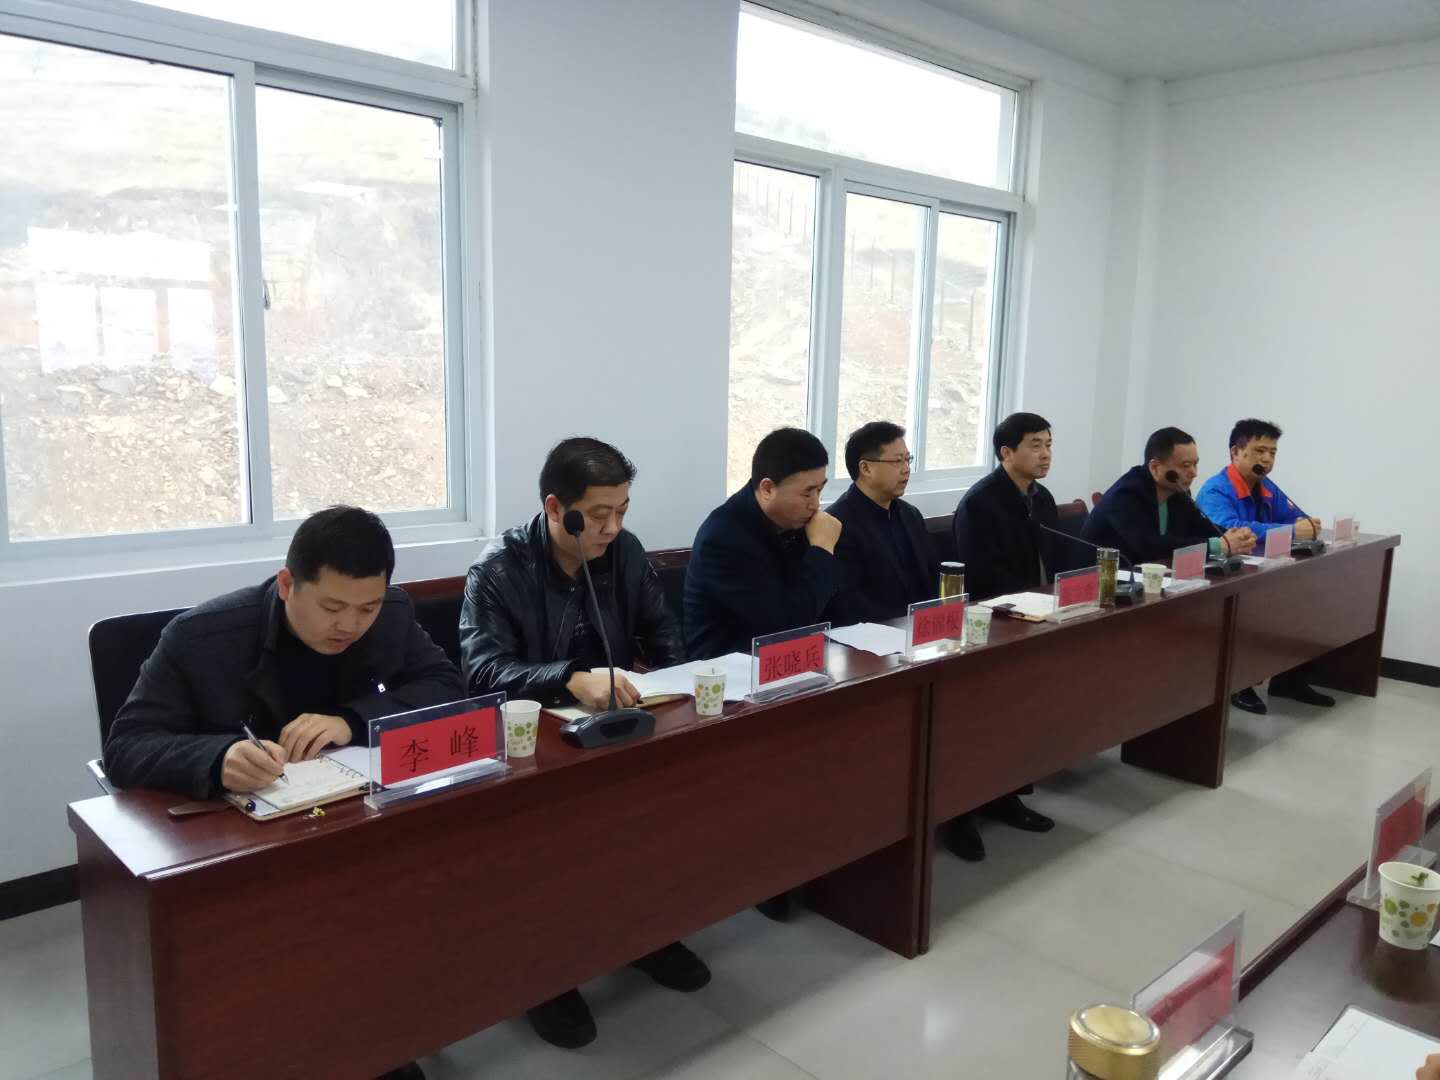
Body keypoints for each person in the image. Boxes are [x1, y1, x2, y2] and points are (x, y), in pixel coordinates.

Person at [104, 505, 462, 1080]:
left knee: (409, 908)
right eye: (332, 607)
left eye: (366, 607)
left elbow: (445, 686)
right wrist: (216, 757)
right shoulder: (201, 637)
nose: (350, 625)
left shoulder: (392, 615)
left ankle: (378, 1042)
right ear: (288, 583)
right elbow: (126, 746)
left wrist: (353, 719)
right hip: (241, 850)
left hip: (352, 828)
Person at [459, 437, 706, 1051]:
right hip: (536, 749)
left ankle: (647, 936)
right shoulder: (498, 570)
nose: (612, 528)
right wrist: (567, 677)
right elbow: (480, 671)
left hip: (618, 729)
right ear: (554, 507)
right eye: (597, 515)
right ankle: (548, 977)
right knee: (556, 858)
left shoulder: (625, 554)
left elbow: (665, 637)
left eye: (621, 511)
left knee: (652, 829)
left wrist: (680, 699)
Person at [945, 412, 1067, 861]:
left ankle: (1006, 795)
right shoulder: (981, 502)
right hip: (992, 625)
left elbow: (1053, 560)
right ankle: (959, 813)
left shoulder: (1042, 498)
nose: (1046, 454)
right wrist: (1029, 603)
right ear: (1006, 452)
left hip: (1037, 620)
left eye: (1049, 444)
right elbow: (980, 575)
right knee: (985, 723)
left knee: (1023, 717)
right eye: (1035, 445)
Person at [1197, 419, 1334, 713]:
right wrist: (1293, 531)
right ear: (1236, 452)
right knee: (1255, 610)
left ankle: (1289, 679)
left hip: (1262, 571)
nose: (1267, 459)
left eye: (1273, 453)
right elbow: (1230, 529)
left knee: (1313, 599)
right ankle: (1238, 683)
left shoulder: (1267, 486)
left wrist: (1304, 525)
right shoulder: (1215, 491)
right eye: (1260, 450)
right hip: (1224, 576)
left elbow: (1293, 518)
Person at [684, 426, 843, 661]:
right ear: (767, 488)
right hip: (728, 669)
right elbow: (784, 626)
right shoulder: (723, 538)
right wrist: (821, 550)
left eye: (820, 490)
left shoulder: (798, 523)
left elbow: (831, 605)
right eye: (807, 493)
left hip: (791, 660)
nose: (815, 504)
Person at [1084, 427, 1257, 565]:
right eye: (1185, 465)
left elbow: (1200, 526)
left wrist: (1236, 537)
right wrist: (1219, 545)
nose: (1194, 473)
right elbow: (1150, 547)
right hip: (1098, 580)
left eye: (1195, 464)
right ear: (1155, 467)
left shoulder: (1178, 492)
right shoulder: (1126, 495)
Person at [828, 420, 935, 623]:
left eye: (908, 460)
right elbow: (847, 604)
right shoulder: (838, 524)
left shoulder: (911, 515)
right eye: (897, 461)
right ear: (866, 468)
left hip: (922, 629)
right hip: (873, 634)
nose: (906, 469)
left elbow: (930, 580)